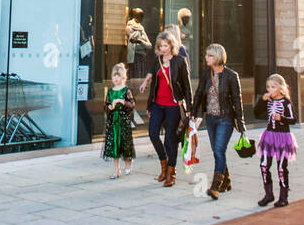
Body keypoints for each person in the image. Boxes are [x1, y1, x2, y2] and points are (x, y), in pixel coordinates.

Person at [189, 43, 245, 200]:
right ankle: (226, 181)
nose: (206, 58)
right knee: (217, 151)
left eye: (210, 55)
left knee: (219, 150)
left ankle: (215, 187)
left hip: (225, 119)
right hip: (211, 118)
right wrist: (194, 112)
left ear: (218, 57)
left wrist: (240, 123)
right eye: (206, 55)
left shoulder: (231, 76)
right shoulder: (207, 74)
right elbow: (199, 93)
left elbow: (237, 99)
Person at [138, 30, 192, 187]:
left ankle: (171, 173)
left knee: (170, 139)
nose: (163, 49)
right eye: (160, 46)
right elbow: (153, 80)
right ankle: (164, 162)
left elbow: (187, 86)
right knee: (153, 134)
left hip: (173, 106)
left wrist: (190, 108)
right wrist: (148, 99)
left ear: (172, 45)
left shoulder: (180, 61)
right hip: (157, 104)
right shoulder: (157, 61)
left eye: (165, 46)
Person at [257, 73, 297, 208]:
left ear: (280, 88)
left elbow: (293, 119)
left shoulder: (286, 102)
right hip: (269, 136)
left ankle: (283, 197)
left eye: (273, 87)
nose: (270, 90)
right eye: (268, 87)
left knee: (281, 167)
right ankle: (268, 194)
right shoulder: (268, 101)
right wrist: (262, 100)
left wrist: (282, 118)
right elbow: (257, 113)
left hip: (283, 137)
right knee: (263, 165)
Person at [102, 62, 135, 178]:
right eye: (114, 76)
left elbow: (132, 105)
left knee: (125, 144)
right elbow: (106, 105)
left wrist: (122, 101)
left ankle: (128, 163)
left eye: (118, 76)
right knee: (114, 145)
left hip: (123, 121)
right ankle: (116, 170)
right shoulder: (110, 92)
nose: (116, 78)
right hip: (113, 121)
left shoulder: (126, 90)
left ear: (124, 77)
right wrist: (109, 107)